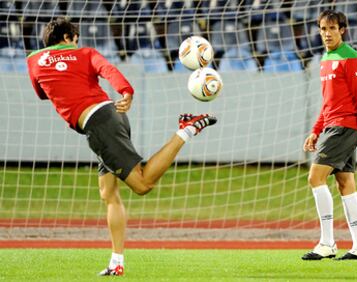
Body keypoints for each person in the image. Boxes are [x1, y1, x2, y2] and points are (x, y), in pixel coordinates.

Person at [26, 18, 217, 276]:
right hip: (111, 114)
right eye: (76, 38)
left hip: (98, 124)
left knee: (142, 184)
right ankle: (116, 262)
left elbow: (40, 93)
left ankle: (186, 128)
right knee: (108, 193)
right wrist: (125, 91)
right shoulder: (85, 53)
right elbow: (108, 70)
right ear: (69, 36)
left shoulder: (33, 61)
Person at [301, 10, 357, 261]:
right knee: (345, 183)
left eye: (332, 28)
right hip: (332, 126)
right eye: (323, 29)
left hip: (345, 127)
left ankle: (327, 242)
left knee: (315, 177)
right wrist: (315, 131)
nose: (327, 33)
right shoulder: (326, 58)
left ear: (342, 30)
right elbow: (327, 103)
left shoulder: (352, 58)